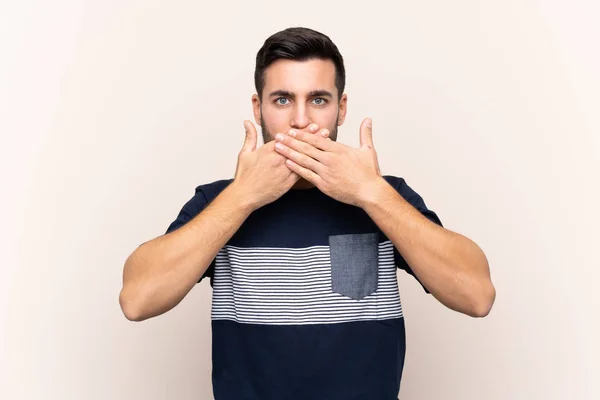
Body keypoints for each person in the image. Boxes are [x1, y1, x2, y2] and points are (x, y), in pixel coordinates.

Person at [119, 26, 496, 400]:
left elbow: (476, 296)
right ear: (258, 108)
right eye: (282, 100)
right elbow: (137, 300)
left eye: (318, 100)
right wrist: (243, 197)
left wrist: (371, 193)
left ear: (341, 108)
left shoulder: (383, 195)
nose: (300, 120)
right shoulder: (219, 201)